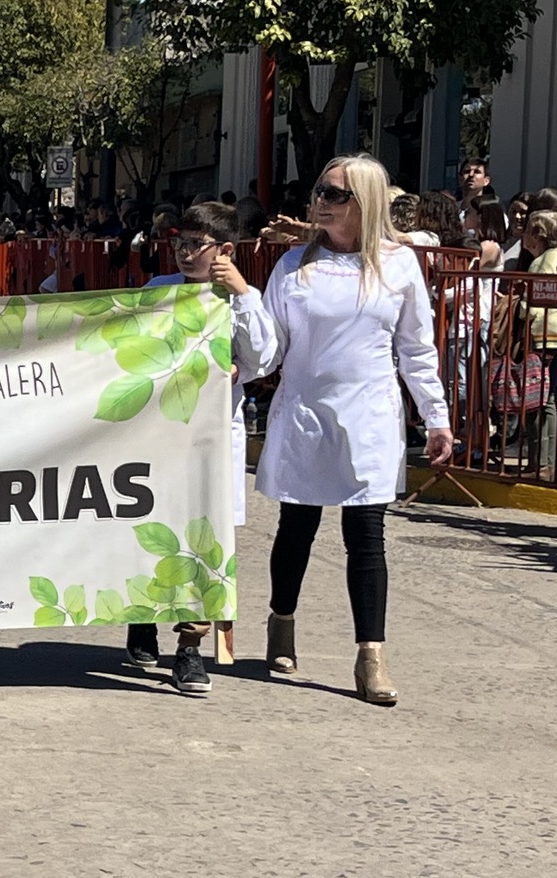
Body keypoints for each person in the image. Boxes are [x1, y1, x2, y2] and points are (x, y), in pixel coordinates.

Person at [255, 154, 452, 706]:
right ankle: (281, 623)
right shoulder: (293, 265)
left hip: (369, 417)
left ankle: (371, 656)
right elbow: (268, 344)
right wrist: (233, 358)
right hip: (305, 413)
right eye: (320, 190)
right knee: (297, 524)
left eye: (335, 194)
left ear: (365, 203)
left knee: (366, 535)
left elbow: (416, 349)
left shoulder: (399, 265)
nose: (320, 201)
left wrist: (435, 415)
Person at [123, 201, 277, 695]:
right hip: (160, 432)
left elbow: (264, 357)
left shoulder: (240, 299)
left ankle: (190, 646)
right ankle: (143, 616)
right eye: (180, 244)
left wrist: (242, 299)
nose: (185, 254)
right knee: (152, 527)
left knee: (207, 541)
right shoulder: (159, 289)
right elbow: (128, 346)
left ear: (226, 249)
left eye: (197, 245)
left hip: (213, 435)